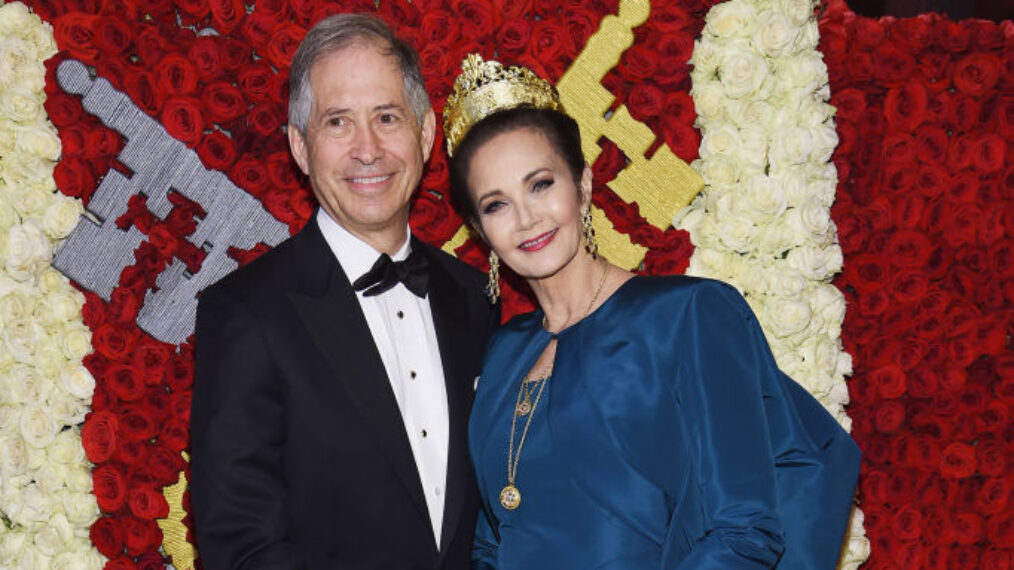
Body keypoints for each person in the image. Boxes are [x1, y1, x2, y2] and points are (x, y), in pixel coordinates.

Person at [443, 55, 861, 569]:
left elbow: (744, 529)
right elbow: (492, 537)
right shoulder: (503, 352)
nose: (526, 218)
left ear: (584, 185)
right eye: (496, 204)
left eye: (541, 184)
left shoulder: (690, 316)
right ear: (480, 230)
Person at [190, 16, 497, 569]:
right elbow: (241, 545)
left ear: (425, 134)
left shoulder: (476, 298)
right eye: (337, 122)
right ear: (301, 148)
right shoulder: (245, 313)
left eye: (386, 117)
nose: (368, 149)